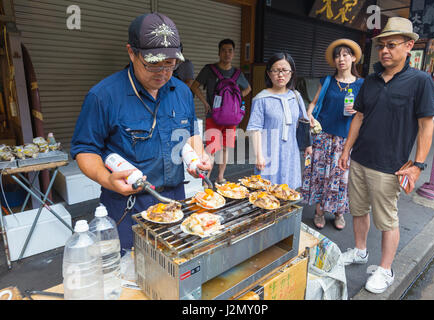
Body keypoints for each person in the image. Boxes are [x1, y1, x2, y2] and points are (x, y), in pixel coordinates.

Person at [70, 13, 211, 252]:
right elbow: (85, 149)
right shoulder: (103, 96)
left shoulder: (182, 92)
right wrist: (107, 180)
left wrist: (200, 156)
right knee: (130, 270)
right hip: (127, 204)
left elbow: (191, 134)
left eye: (170, 63)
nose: (163, 72)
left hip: (176, 198)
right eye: (153, 63)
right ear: (131, 52)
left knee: (173, 261)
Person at [338, 17, 434, 294]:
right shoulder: (370, 80)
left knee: (386, 219)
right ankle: (360, 251)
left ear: (409, 46)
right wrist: (346, 150)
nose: (384, 50)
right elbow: (359, 116)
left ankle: (385, 268)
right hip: (360, 159)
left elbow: (425, 125)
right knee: (357, 209)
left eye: (391, 45)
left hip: (390, 166)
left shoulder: (420, 81)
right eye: (382, 45)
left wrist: (418, 165)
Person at [301, 39, 364, 231]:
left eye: (345, 55)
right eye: (338, 55)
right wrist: (309, 114)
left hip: (346, 139)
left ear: (353, 58)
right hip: (323, 137)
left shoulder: (361, 84)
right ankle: (319, 211)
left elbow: (365, 112)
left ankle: (338, 212)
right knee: (320, 175)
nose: (341, 59)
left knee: (341, 177)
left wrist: (359, 111)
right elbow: (313, 103)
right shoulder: (327, 81)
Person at [191, 39, 251, 185]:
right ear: (219, 52)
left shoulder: (237, 73)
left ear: (233, 53)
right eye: (224, 50)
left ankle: (220, 177)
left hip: (231, 119)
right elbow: (194, 86)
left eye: (230, 50)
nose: (227, 53)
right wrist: (205, 103)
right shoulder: (209, 70)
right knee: (211, 149)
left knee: (225, 149)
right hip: (213, 117)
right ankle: (206, 181)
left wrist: (234, 103)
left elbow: (248, 89)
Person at [246, 52, 310, 189]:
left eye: (285, 70)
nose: (280, 75)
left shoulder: (296, 97)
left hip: (290, 154)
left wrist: (308, 145)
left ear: (291, 73)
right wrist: (258, 156)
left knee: (288, 193)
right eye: (276, 70)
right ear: (269, 74)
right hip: (268, 155)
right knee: (266, 194)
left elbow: (304, 122)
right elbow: (254, 129)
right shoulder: (261, 99)